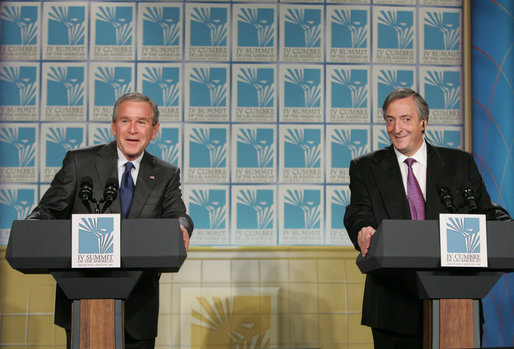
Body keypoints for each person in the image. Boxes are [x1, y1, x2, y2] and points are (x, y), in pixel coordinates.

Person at [343, 88, 510, 348]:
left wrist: (504, 228)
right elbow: (358, 210)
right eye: (390, 119)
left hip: (456, 303)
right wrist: (363, 228)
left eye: (406, 119)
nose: (397, 128)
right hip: (393, 306)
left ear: (423, 122)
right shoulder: (366, 167)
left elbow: (484, 211)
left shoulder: (459, 163)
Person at [26, 92, 193, 349]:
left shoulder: (165, 174)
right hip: (83, 300)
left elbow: (177, 214)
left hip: (138, 309)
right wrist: (34, 228)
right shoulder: (80, 163)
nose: (133, 130)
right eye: (125, 121)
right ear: (113, 126)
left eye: (142, 122)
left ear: (155, 129)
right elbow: (48, 210)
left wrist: (181, 226)